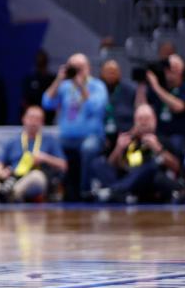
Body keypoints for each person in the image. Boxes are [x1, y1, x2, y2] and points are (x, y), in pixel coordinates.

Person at [41, 53, 108, 201]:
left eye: (80, 68)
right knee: (48, 146)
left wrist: (81, 86)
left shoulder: (97, 86)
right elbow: (46, 102)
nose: (77, 71)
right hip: (66, 137)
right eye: (73, 68)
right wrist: (58, 79)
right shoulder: (64, 87)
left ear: (88, 68)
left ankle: (85, 191)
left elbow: (95, 109)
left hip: (91, 137)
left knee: (88, 148)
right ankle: (53, 191)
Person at [0, 105, 67, 202]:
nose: (33, 122)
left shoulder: (50, 141)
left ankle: (4, 195)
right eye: (31, 118)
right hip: (11, 177)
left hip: (29, 179)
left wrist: (45, 158)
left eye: (37, 119)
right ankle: (0, 193)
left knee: (38, 177)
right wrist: (0, 172)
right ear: (24, 119)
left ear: (42, 122)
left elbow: (63, 165)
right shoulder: (13, 141)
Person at [89, 105, 180, 203]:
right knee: (98, 163)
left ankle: (113, 191)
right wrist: (118, 149)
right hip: (126, 176)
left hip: (148, 182)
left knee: (150, 167)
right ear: (134, 121)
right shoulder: (128, 139)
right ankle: (120, 193)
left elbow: (176, 167)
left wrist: (158, 149)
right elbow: (111, 165)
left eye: (147, 118)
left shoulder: (162, 140)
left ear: (154, 120)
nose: (143, 122)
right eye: (140, 119)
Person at [138, 54, 185, 153]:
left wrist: (156, 86)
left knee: (174, 142)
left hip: (178, 136)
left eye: (172, 68)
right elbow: (142, 107)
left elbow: (179, 107)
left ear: (181, 70)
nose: (168, 71)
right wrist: (142, 85)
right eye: (167, 68)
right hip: (158, 134)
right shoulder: (160, 87)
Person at [99, 60, 137, 144]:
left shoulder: (130, 89)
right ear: (102, 73)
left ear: (119, 73)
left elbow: (137, 111)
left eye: (114, 72)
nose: (111, 74)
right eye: (108, 72)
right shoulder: (97, 89)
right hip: (101, 135)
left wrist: (130, 134)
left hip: (125, 133)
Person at [21, 49, 55, 124]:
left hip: (49, 118)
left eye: (42, 60)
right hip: (32, 117)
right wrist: (32, 117)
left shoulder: (53, 79)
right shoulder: (30, 79)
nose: (40, 61)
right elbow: (24, 101)